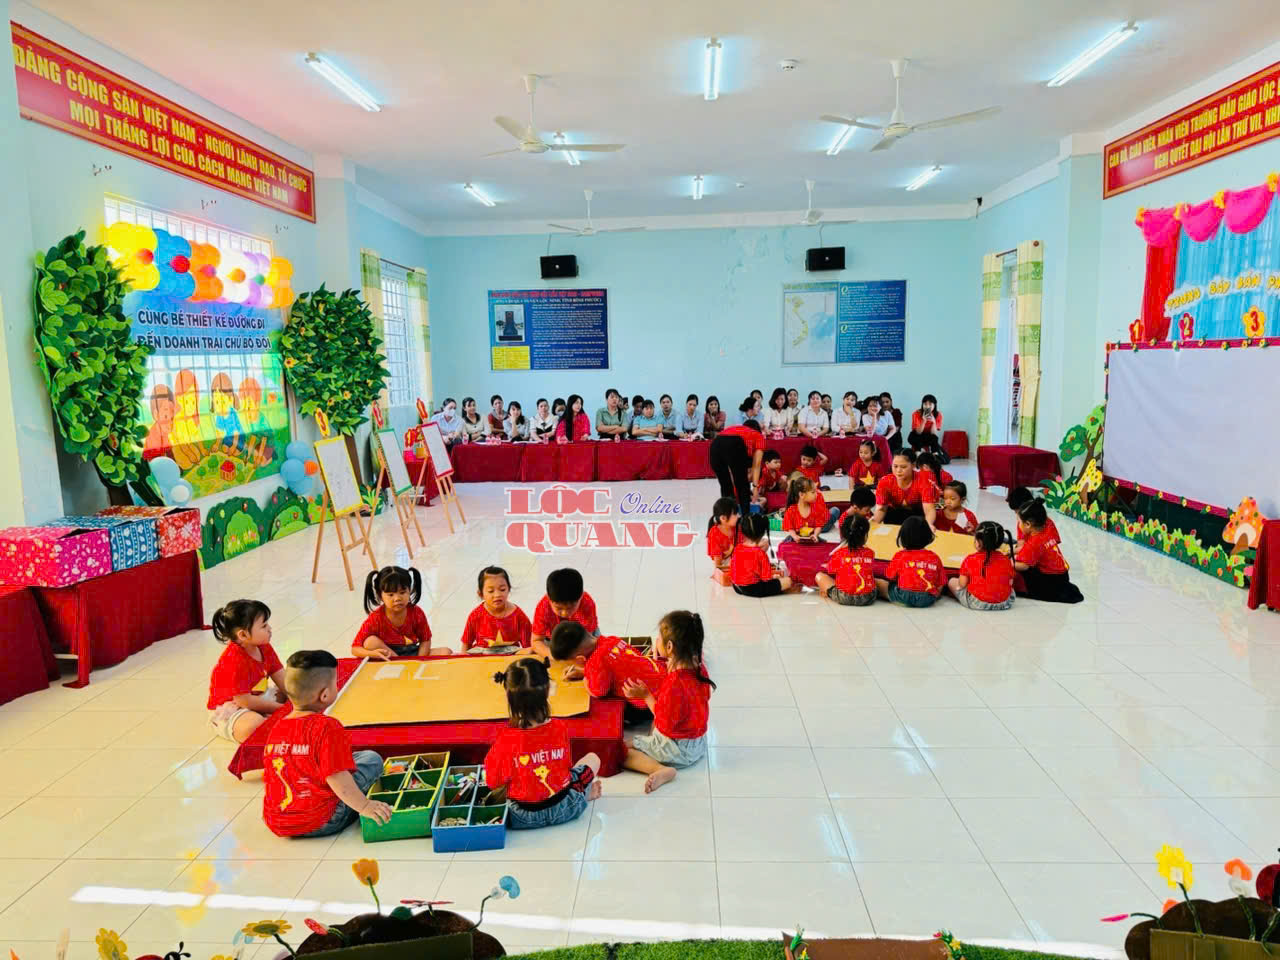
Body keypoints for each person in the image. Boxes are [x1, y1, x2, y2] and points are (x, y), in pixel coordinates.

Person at [262, 650, 391, 838]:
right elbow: (337, 777)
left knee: (351, 759)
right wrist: (365, 806)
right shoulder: (327, 727)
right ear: (324, 695)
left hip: (278, 822)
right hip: (323, 821)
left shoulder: (278, 727)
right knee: (371, 759)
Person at [484, 657, 603, 828]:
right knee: (593, 758)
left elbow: (492, 782)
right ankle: (585, 794)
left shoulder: (506, 739)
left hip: (522, 817)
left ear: (509, 698)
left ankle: (583, 794)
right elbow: (566, 768)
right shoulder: (560, 727)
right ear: (547, 691)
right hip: (567, 806)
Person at [620, 610, 715, 793]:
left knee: (621, 750)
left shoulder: (675, 684)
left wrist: (646, 695)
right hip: (698, 743)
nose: (656, 642)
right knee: (655, 723)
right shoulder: (700, 668)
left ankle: (660, 769)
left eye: (659, 639)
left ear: (670, 646)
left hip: (677, 751)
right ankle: (655, 747)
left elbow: (664, 723)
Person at [552, 621, 665, 725]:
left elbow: (598, 692)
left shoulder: (595, 663)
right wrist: (584, 671)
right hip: (661, 674)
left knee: (612, 709)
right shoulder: (611, 640)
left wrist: (586, 679)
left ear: (580, 659)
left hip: (651, 702)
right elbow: (613, 664)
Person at [207, 599, 286, 743]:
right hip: (233, 707)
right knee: (253, 726)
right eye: (264, 626)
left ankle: (272, 720)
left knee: (298, 686)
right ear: (243, 635)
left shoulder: (263, 646)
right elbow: (244, 701)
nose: (269, 628)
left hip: (259, 696)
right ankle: (270, 723)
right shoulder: (234, 660)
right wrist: (282, 709)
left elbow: (281, 676)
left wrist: (297, 698)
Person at [352, 566, 453, 660]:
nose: (397, 598)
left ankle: (405, 664)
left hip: (413, 653)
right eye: (390, 594)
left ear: (410, 590)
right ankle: (398, 662)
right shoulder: (376, 617)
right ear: (380, 595)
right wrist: (373, 654)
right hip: (389, 657)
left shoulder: (416, 612)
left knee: (446, 651)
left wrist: (419, 660)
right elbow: (355, 648)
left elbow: (425, 640)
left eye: (402, 592)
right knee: (370, 642)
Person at [1013, 500, 1084, 603]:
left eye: (1019, 522)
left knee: (1020, 572)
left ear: (1028, 524)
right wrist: (1013, 551)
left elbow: (1024, 566)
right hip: (1063, 576)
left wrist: (1007, 562)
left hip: (1052, 581)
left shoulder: (1034, 542)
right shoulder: (1048, 526)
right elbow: (1030, 550)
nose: (1019, 525)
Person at [460, 566, 533, 653]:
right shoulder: (476, 615)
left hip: (511, 659)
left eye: (502, 589)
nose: (497, 594)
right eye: (491, 591)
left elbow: (530, 646)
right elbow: (466, 646)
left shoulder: (518, 615)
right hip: (482, 658)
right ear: (480, 594)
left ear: (509, 589)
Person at [876, 516, 944, 607]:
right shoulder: (935, 557)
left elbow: (889, 576)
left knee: (878, 582)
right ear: (928, 536)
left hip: (903, 596)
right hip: (928, 599)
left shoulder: (900, 555)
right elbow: (941, 582)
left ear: (903, 536)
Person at [530, 567, 599, 658]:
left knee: (597, 651)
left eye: (571, 607)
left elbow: (587, 640)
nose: (565, 613)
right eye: (558, 608)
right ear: (549, 599)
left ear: (581, 597)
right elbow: (536, 641)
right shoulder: (544, 606)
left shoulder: (587, 603)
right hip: (554, 640)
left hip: (584, 636)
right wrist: (553, 656)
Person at [949, 521, 1016, 611]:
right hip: (1005, 603)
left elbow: (962, 584)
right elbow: (1010, 582)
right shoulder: (1006, 559)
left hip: (977, 603)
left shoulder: (970, 559)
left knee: (952, 581)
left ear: (978, 542)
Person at [708, 407, 764, 512]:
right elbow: (757, 465)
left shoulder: (736, 428)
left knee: (726, 485)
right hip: (734, 443)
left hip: (715, 444)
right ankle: (746, 517)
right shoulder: (758, 436)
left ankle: (728, 514)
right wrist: (755, 487)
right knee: (742, 485)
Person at [816, 513, 876, 606]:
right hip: (868, 597)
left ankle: (828, 593)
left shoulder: (839, 553)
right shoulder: (870, 553)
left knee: (820, 576)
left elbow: (831, 570)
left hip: (844, 597)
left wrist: (828, 565)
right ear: (865, 536)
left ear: (844, 535)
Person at [730, 513, 796, 597]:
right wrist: (776, 578)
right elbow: (766, 578)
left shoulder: (738, 548)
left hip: (736, 586)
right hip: (752, 589)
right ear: (762, 533)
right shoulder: (760, 553)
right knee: (788, 581)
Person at [873, 450, 939, 527]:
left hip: (917, 516)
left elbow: (929, 510)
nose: (898, 470)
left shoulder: (924, 481)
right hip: (893, 516)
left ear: (913, 465)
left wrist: (928, 525)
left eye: (903, 467)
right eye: (895, 466)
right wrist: (874, 525)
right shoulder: (885, 482)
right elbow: (881, 509)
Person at [782, 474, 839, 540]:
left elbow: (818, 525)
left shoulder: (815, 508)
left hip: (812, 537)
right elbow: (790, 527)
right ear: (801, 495)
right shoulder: (791, 510)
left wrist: (815, 535)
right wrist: (795, 536)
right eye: (813, 492)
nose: (816, 494)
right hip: (795, 538)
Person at [707, 496, 740, 571]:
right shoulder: (714, 533)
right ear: (723, 518)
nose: (738, 516)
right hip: (725, 564)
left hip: (737, 558)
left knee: (764, 543)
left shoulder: (737, 527)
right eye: (735, 514)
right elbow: (718, 565)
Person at [909, 394, 946, 461]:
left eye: (930, 404)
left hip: (928, 436)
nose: (927, 406)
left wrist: (933, 422)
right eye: (925, 404)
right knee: (917, 437)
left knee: (934, 438)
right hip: (916, 435)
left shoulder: (938, 415)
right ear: (922, 404)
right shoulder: (916, 413)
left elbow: (933, 434)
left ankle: (935, 456)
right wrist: (924, 420)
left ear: (934, 405)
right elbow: (918, 432)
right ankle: (918, 454)